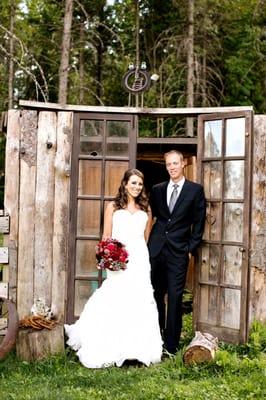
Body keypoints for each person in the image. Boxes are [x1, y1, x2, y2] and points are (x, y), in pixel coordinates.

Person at [65, 168, 163, 368]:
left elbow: (146, 237)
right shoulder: (113, 206)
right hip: (119, 259)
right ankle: (110, 344)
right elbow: (106, 235)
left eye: (139, 184)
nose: (136, 187)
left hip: (139, 259)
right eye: (133, 183)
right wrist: (110, 255)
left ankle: (137, 348)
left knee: (139, 298)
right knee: (116, 296)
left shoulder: (146, 208)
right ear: (125, 184)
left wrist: (137, 253)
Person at [148, 150, 206, 355]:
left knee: (174, 297)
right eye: (168, 164)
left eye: (175, 163)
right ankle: (155, 338)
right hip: (156, 250)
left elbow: (199, 223)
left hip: (178, 252)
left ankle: (170, 345)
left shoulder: (195, 191)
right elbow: (153, 218)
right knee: (155, 295)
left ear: (183, 164)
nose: (172, 167)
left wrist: (190, 249)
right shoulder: (157, 189)